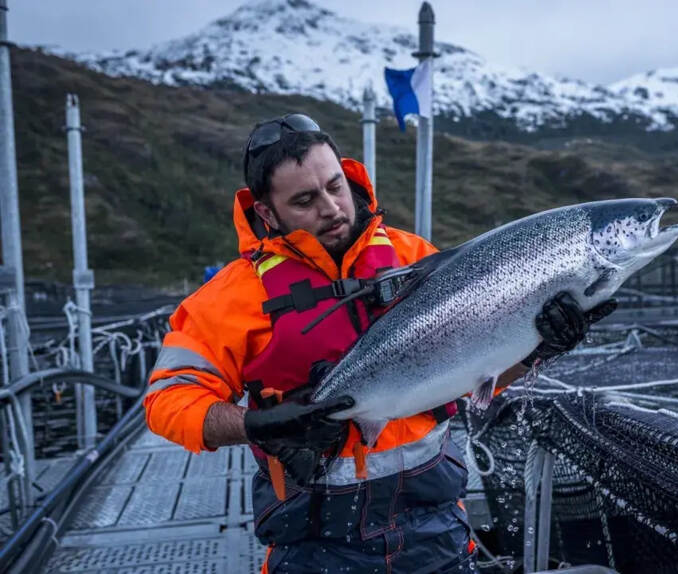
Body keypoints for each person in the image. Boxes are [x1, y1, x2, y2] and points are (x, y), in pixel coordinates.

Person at [144, 113, 615, 573]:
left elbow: (474, 370)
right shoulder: (230, 297)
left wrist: (538, 348)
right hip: (312, 548)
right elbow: (166, 401)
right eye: (305, 200)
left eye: (334, 186)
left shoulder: (416, 259)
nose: (330, 208)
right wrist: (262, 425)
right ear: (267, 212)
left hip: (436, 534)